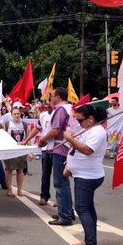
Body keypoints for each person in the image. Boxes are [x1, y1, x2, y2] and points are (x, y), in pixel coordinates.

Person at [63, 104, 108, 245]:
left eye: (80, 120)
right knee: (88, 208)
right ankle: (90, 239)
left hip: (88, 177)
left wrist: (69, 138)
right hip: (82, 174)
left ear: (90, 119)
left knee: (82, 208)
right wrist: (69, 165)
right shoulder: (87, 129)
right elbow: (76, 149)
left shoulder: (98, 131)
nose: (78, 123)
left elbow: (87, 150)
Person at [39, 87, 74, 226]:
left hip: (60, 148)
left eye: (52, 96)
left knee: (60, 183)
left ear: (58, 97)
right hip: (66, 147)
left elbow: (55, 131)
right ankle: (66, 211)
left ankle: (64, 216)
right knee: (64, 183)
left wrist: (42, 139)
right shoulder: (69, 108)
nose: (50, 99)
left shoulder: (60, 110)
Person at [23, 103, 53, 205]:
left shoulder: (60, 114)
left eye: (51, 103)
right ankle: (44, 196)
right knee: (45, 174)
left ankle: (63, 201)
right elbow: (37, 128)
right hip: (45, 149)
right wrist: (26, 140)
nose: (48, 105)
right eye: (48, 103)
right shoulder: (43, 115)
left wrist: (44, 139)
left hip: (58, 149)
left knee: (60, 178)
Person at [4, 108, 28, 197]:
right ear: (11, 115)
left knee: (20, 170)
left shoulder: (24, 124)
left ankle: (19, 190)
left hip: (21, 151)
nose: (17, 115)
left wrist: (29, 150)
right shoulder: (7, 124)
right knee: (9, 170)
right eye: (15, 114)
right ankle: (9, 189)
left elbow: (28, 137)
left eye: (18, 113)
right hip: (10, 151)